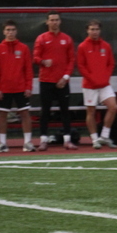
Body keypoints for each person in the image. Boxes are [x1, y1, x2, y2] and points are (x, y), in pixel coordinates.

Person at [33, 10, 76, 150]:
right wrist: (43, 61)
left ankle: (67, 140)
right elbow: (35, 57)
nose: (54, 22)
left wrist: (65, 77)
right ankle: (43, 140)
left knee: (65, 111)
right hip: (46, 81)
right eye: (51, 20)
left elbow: (71, 60)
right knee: (45, 111)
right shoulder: (41, 38)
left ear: (60, 21)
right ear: (47, 22)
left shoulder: (67, 39)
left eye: (56, 20)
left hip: (62, 81)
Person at [0, 20, 34, 153]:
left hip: (21, 87)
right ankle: (2, 143)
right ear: (4, 32)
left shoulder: (23, 48)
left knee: (25, 114)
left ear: (16, 31)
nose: (10, 32)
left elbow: (28, 69)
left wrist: (28, 86)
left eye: (13, 30)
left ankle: (27, 142)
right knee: (2, 115)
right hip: (4, 89)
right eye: (8, 30)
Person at [77, 20, 117, 149]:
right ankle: (95, 139)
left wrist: (105, 77)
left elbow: (111, 63)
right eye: (92, 29)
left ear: (100, 31)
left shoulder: (106, 46)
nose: (94, 32)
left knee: (113, 107)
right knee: (91, 111)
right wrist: (92, 79)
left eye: (96, 29)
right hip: (89, 85)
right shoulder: (83, 46)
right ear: (87, 31)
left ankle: (104, 136)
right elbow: (81, 66)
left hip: (104, 84)